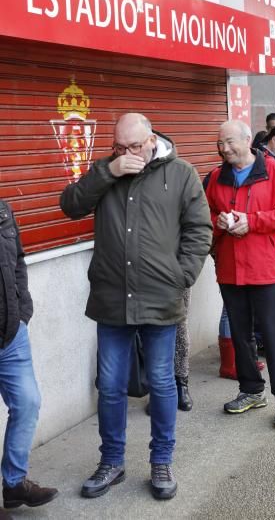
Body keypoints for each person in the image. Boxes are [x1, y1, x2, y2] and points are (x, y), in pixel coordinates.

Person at [60, 113, 212, 501]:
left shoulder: (181, 173)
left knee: (161, 384)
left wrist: (182, 275)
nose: (126, 153)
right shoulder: (104, 171)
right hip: (112, 297)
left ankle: (161, 460)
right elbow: (71, 205)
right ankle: (111, 461)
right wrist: (108, 170)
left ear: (151, 141)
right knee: (110, 386)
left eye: (133, 147)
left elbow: (199, 229)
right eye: (119, 147)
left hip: (161, 297)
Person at [205, 120, 275, 427]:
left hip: (265, 269)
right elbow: (203, 213)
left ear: (248, 140)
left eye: (230, 142)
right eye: (221, 144)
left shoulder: (272, 170)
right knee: (240, 333)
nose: (225, 149)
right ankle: (251, 390)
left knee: (273, 336)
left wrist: (254, 220)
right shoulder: (217, 176)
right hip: (231, 269)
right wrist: (217, 222)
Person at [0, 203, 58, 513]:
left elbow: (18, 261)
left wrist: (23, 312)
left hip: (11, 335)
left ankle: (14, 484)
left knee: (27, 403)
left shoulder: (3, 210)